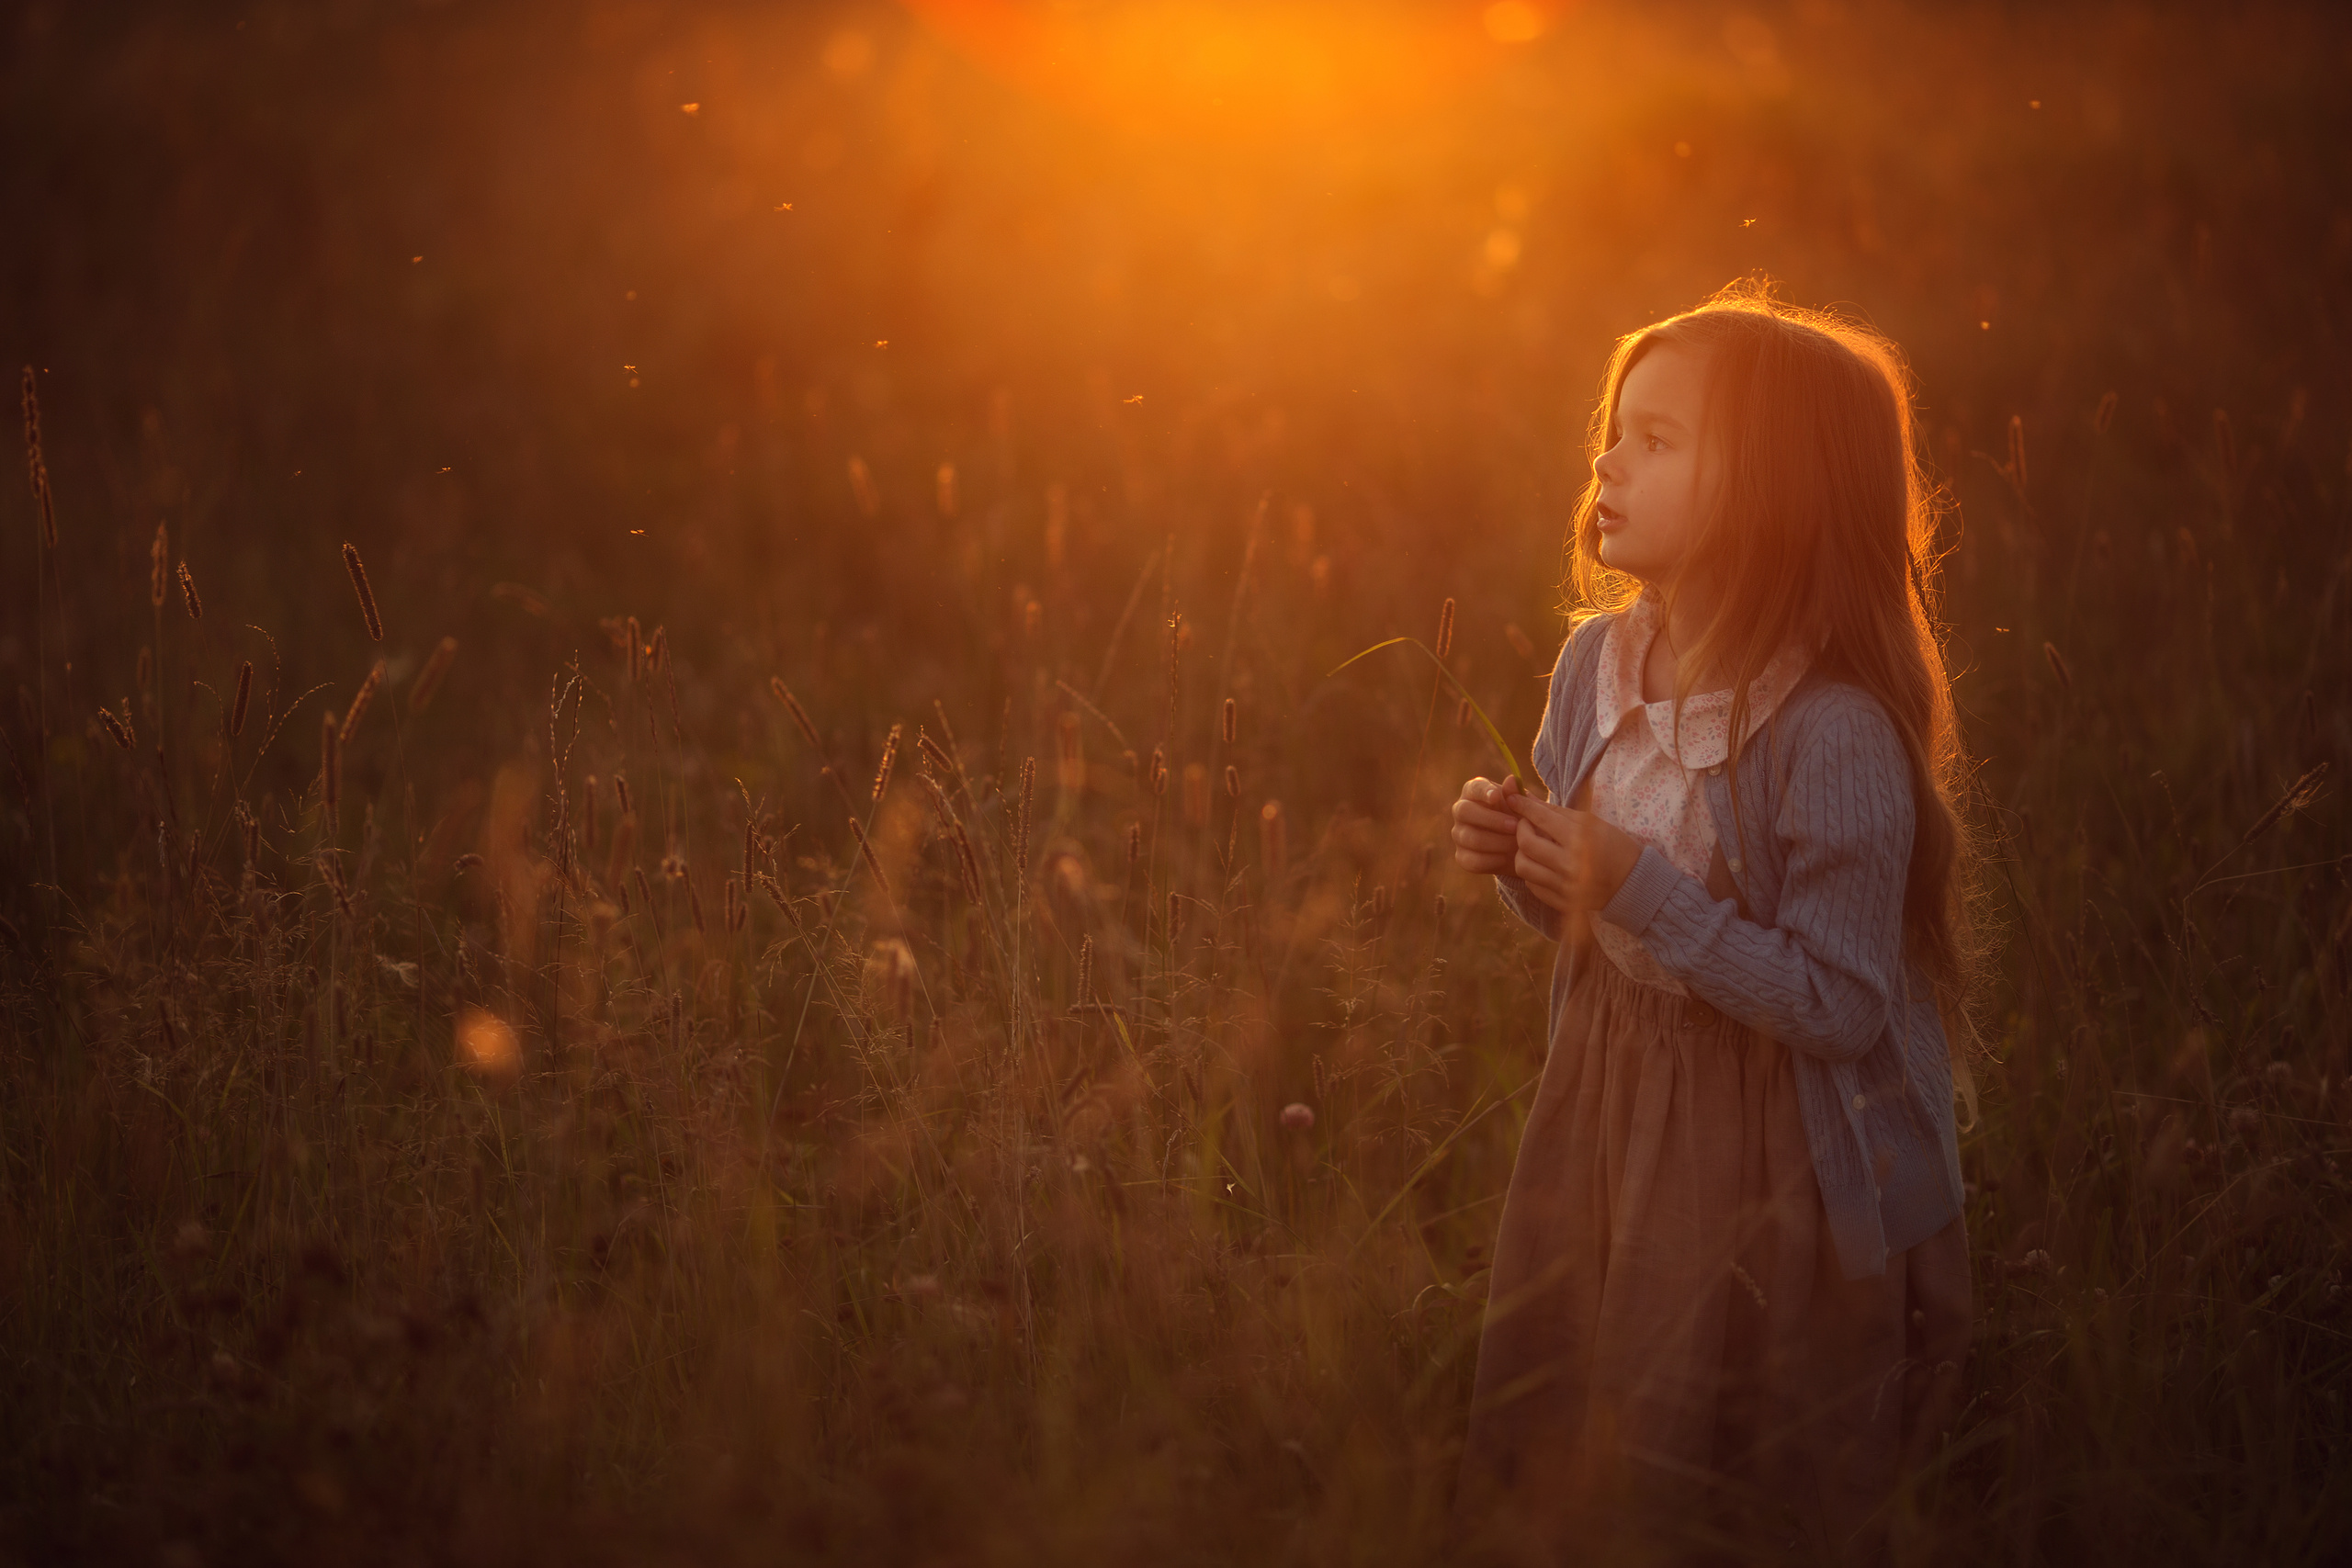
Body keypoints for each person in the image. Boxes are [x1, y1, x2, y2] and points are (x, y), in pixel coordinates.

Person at [1448, 282, 1980, 1564]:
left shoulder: (1831, 730)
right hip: (1611, 1104)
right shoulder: (1597, 669)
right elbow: (1589, 923)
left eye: (1658, 440)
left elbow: (1841, 1005)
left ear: (1773, 487)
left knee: (1735, 1443)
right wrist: (1526, 861)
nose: (1606, 460)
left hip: (1776, 1156)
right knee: (1599, 1397)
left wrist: (1636, 887)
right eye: (1613, 431)